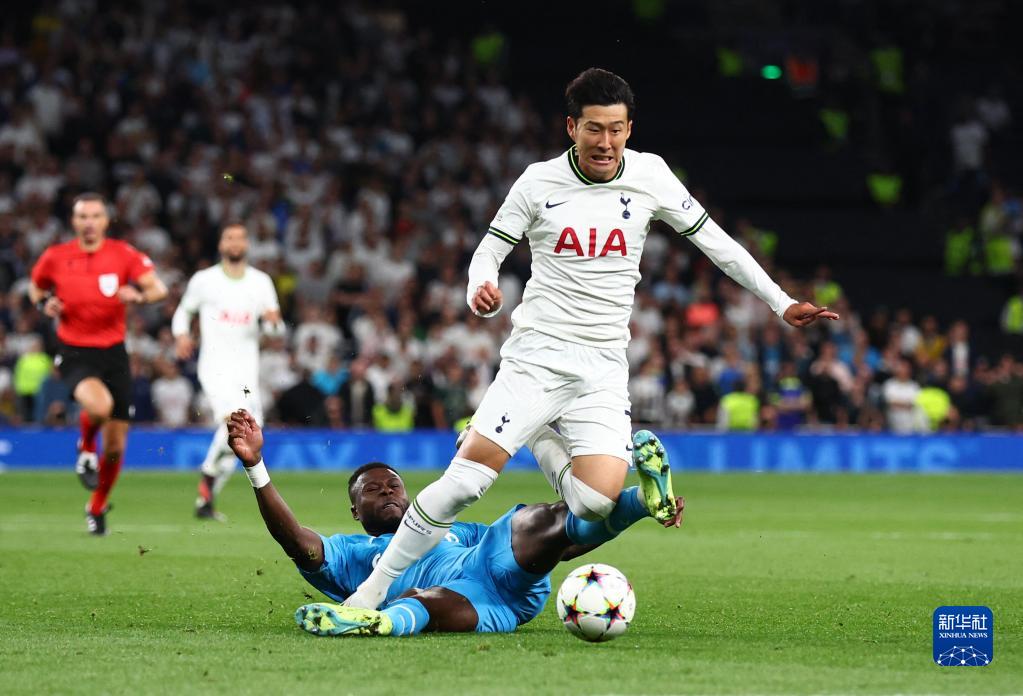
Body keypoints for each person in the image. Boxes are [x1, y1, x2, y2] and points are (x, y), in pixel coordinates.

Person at [343, 68, 838, 609]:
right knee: (465, 484)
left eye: (616, 130)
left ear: (630, 129)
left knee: (594, 504)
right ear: (571, 127)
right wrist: (480, 286)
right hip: (538, 357)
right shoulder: (538, 182)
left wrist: (781, 302)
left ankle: (538, 436)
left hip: (603, 365)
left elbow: (717, 244)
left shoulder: (650, 175)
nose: (606, 142)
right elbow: (489, 250)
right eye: (594, 129)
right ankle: (368, 596)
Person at [225, 409, 684, 637]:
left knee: (539, 520)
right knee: (423, 599)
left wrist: (615, 523)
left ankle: (642, 501)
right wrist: (255, 467)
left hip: (493, 566)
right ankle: (376, 622)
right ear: (355, 512)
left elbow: (560, 548)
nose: (387, 491)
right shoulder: (350, 554)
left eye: (394, 486)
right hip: (481, 604)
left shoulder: (451, 528)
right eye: (373, 490)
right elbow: (296, 541)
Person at [28, 192, 168, 535]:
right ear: (73, 221)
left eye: (95, 216)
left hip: (114, 353)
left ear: (106, 220)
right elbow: (36, 288)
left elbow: (159, 289)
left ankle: (97, 506)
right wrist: (45, 303)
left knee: (117, 446)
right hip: (74, 350)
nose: (89, 223)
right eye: (82, 216)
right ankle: (87, 446)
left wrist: (139, 295)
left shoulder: (123, 254)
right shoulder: (56, 256)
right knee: (100, 407)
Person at [172, 223, 283, 520]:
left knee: (249, 430)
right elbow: (183, 311)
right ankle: (208, 477)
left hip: (247, 371)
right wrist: (181, 335)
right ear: (221, 244)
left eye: (240, 238)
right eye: (229, 238)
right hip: (215, 367)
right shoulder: (204, 280)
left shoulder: (261, 282)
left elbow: (275, 329)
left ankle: (206, 499)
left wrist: (273, 322)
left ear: (247, 244)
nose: (235, 243)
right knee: (236, 424)